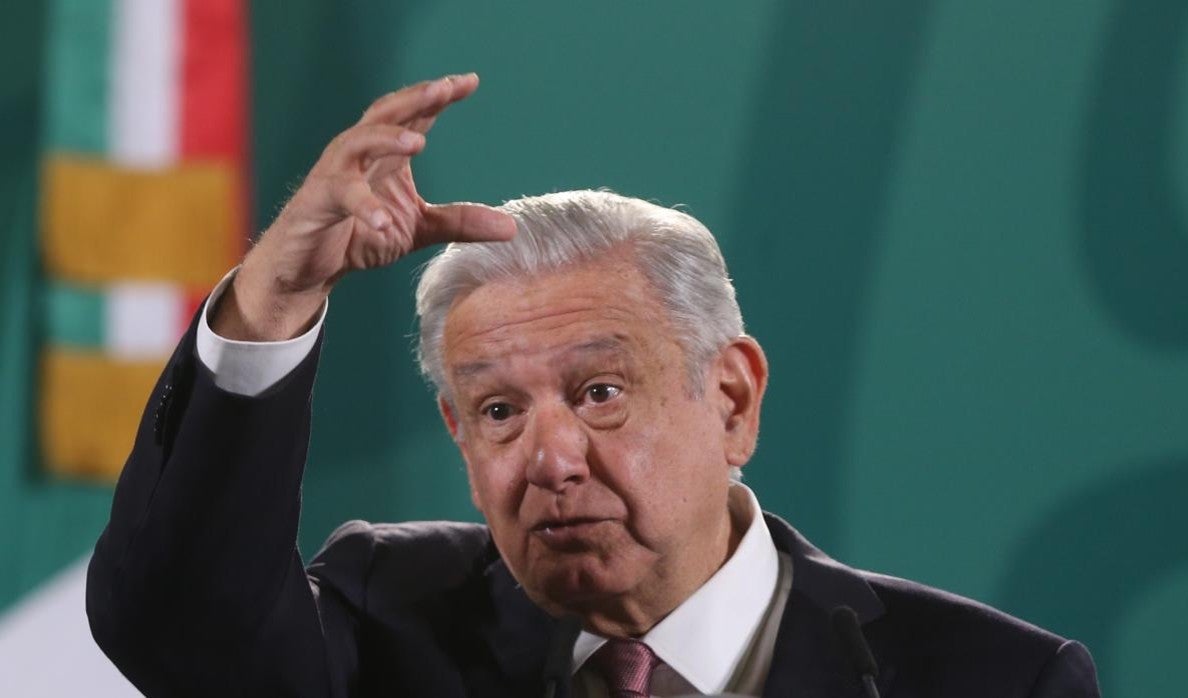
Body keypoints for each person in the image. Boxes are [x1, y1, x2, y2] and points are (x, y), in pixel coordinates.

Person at [86, 73, 1101, 697]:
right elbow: (179, 631)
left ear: (733, 399)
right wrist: (274, 296)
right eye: (498, 410)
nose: (552, 455)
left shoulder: (989, 679)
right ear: (457, 434)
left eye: (602, 391)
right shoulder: (387, 622)